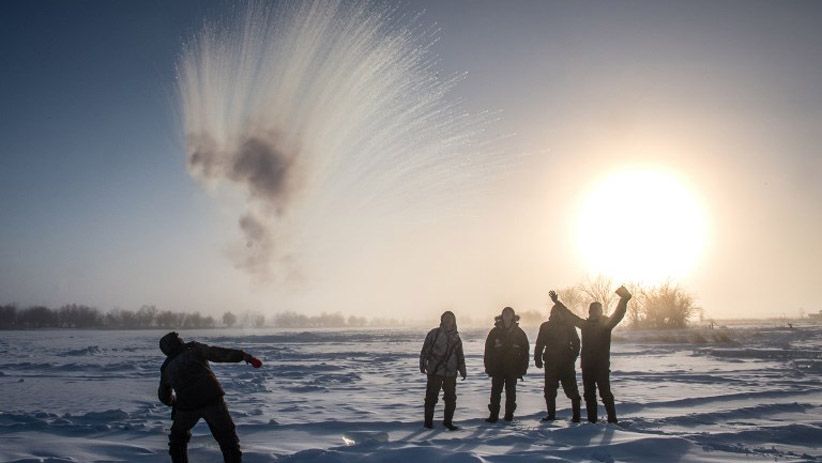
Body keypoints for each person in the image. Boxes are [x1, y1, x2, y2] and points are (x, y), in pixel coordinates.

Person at [158, 332, 262, 463]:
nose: (182, 339)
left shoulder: (166, 368)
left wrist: (173, 402)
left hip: (186, 408)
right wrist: (243, 356)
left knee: (177, 441)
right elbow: (218, 353)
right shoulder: (194, 349)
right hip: (212, 401)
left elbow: (163, 396)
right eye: (179, 339)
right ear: (177, 342)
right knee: (228, 440)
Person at [550, 286, 631, 424]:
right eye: (593, 310)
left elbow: (618, 314)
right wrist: (557, 303)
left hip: (601, 366)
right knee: (589, 395)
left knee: (605, 393)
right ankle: (592, 421)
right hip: (587, 366)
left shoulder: (606, 325)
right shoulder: (585, 325)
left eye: (598, 310)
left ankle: (612, 419)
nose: (595, 312)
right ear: (590, 312)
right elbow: (570, 316)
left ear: (601, 312)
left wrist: (624, 299)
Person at [534, 303, 581, 422]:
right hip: (551, 363)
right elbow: (540, 343)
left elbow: (576, 343)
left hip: (566, 364)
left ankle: (576, 416)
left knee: (572, 391)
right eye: (554, 312)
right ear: (551, 313)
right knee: (549, 391)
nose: (557, 314)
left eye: (559, 312)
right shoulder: (545, 326)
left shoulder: (569, 325)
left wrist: (572, 356)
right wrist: (537, 358)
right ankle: (551, 416)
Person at [419, 310, 467, 431]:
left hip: (451, 373)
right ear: (442, 320)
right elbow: (425, 350)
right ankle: (428, 423)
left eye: (450, 318)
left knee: (450, 398)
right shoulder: (434, 334)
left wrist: (463, 370)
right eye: (446, 318)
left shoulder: (456, 337)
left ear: (454, 321)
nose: (448, 320)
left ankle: (448, 422)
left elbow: (460, 355)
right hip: (435, 371)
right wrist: (422, 363)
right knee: (431, 397)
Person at [483, 306, 529, 422]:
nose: (507, 315)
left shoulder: (519, 333)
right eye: (505, 313)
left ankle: (509, 415)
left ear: (513, 316)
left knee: (511, 393)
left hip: (513, 369)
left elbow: (525, 352)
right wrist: (488, 367)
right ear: (502, 316)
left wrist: (522, 369)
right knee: (495, 393)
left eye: (509, 313)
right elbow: (488, 350)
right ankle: (493, 415)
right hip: (497, 368)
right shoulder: (494, 332)